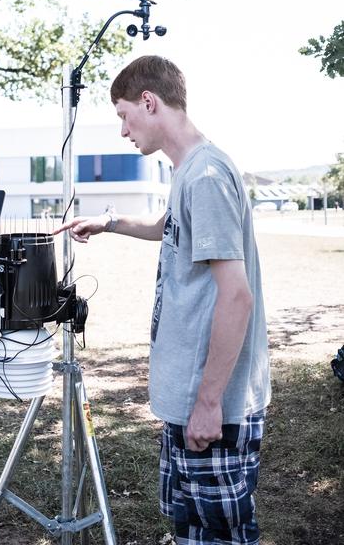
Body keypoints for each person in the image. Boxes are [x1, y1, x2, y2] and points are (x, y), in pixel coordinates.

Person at [56, 55, 271, 545]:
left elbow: (237, 298)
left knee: (220, 537)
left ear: (148, 102)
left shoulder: (206, 177)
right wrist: (109, 223)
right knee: (191, 531)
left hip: (213, 405)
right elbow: (168, 228)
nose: (123, 131)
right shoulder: (188, 171)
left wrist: (210, 403)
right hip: (188, 399)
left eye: (123, 116)